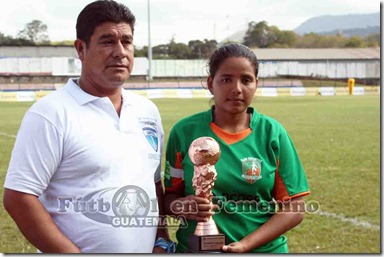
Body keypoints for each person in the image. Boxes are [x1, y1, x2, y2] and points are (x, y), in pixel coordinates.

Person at [3, 0, 174, 253]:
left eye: (126, 41)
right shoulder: (50, 113)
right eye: (107, 41)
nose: (120, 52)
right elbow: (19, 198)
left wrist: (161, 239)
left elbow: (153, 184)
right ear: (81, 49)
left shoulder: (147, 111)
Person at [163, 43, 310, 253]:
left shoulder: (273, 134)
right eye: (226, 79)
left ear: (256, 84)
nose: (237, 89)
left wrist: (245, 245)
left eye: (246, 80)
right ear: (210, 83)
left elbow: (295, 209)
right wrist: (181, 207)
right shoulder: (184, 132)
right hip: (197, 250)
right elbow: (168, 198)